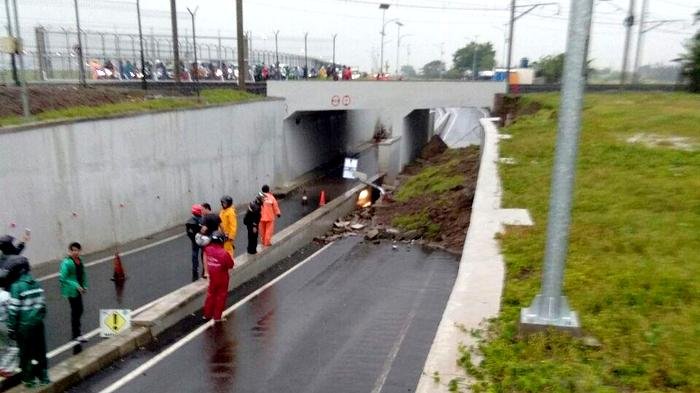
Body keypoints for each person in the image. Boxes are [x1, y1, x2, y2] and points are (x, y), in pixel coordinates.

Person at [7, 256, 49, 387]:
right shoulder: (37, 283)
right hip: (38, 324)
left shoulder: (16, 286)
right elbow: (43, 306)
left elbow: (14, 311)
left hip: (24, 327)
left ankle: (29, 380)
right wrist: (38, 318)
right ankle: (43, 377)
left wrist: (11, 328)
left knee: (26, 354)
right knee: (40, 351)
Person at [59, 242, 88, 343]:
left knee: (79, 310)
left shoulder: (80, 260)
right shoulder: (66, 263)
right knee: (76, 311)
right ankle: (76, 334)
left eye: (77, 250)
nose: (75, 252)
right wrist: (76, 285)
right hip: (71, 291)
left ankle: (77, 333)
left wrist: (84, 286)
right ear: (70, 251)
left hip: (79, 290)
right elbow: (63, 278)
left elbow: (83, 274)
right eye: (73, 250)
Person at [202, 231, 234, 322]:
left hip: (212, 276)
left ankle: (206, 314)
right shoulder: (223, 253)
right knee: (221, 296)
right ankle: (217, 317)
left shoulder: (208, 249)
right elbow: (230, 265)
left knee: (210, 294)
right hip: (222, 277)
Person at [185, 204, 203, 281]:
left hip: (194, 240)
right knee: (204, 254)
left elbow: (188, 232)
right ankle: (205, 269)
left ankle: (195, 271)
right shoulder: (203, 220)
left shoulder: (189, 222)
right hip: (202, 239)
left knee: (194, 255)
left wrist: (193, 238)